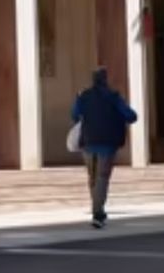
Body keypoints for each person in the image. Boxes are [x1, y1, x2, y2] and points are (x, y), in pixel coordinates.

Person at [70, 67, 139, 229]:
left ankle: (97, 209)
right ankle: (97, 212)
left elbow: (74, 115)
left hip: (88, 142)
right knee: (102, 177)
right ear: (105, 80)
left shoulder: (84, 96)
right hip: (108, 143)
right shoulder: (114, 97)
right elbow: (131, 116)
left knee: (93, 177)